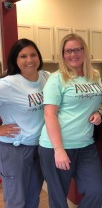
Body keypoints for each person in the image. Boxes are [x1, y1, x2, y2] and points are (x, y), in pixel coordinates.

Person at [38, 33, 102, 207]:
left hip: (85, 145)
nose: (73, 54)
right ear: (62, 54)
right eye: (68, 51)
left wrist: (97, 112)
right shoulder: (57, 78)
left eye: (77, 50)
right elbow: (49, 114)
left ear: (84, 51)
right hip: (57, 146)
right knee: (59, 198)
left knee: (96, 190)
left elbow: (93, 102)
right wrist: (58, 149)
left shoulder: (94, 75)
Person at [0, 39, 49, 207]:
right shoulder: (6, 84)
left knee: (33, 196)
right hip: (15, 150)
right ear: (15, 60)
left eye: (33, 54)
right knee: (16, 200)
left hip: (40, 147)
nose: (29, 60)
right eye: (23, 56)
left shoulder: (46, 77)